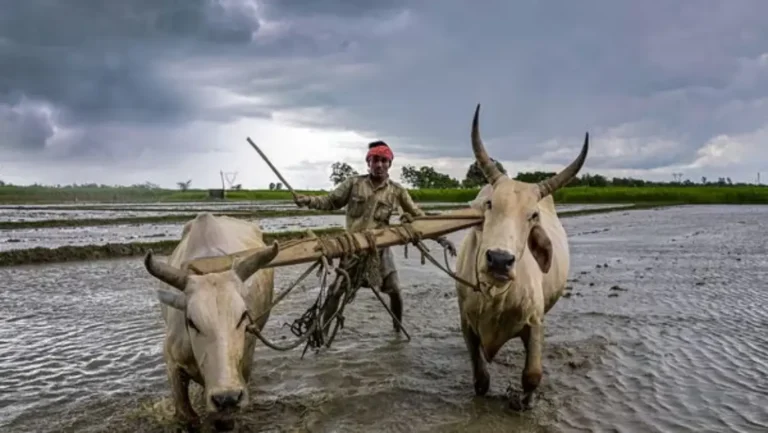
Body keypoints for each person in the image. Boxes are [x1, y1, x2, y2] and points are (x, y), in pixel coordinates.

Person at [294, 140, 456, 333]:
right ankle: (323, 335)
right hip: (353, 248)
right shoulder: (354, 184)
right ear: (368, 162)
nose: (379, 164)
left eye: (384, 161)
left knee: (395, 291)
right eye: (375, 160)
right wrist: (308, 201)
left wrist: (441, 238)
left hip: (380, 250)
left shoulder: (397, 191)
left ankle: (397, 330)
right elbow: (330, 201)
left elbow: (417, 217)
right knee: (335, 292)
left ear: (389, 164)